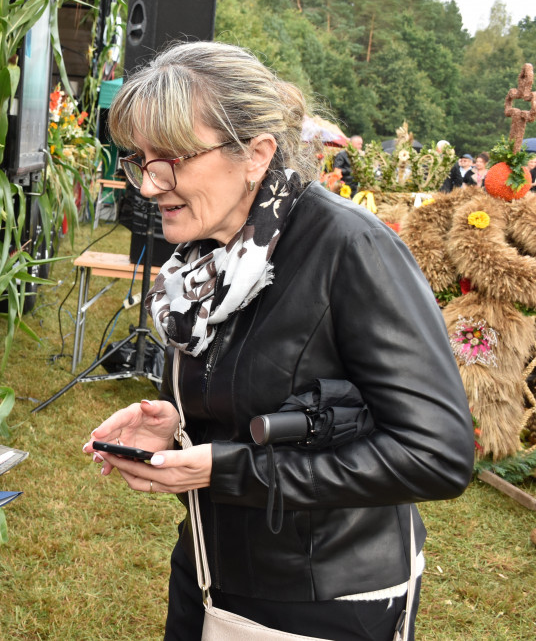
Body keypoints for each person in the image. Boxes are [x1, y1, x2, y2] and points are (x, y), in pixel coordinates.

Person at [81, 42, 474, 640]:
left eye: (174, 160)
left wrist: (231, 471)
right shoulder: (203, 257)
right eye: (143, 159)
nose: (151, 184)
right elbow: (259, 406)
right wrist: (180, 427)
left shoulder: (351, 250)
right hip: (210, 570)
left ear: (256, 155)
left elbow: (435, 455)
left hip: (325, 599)